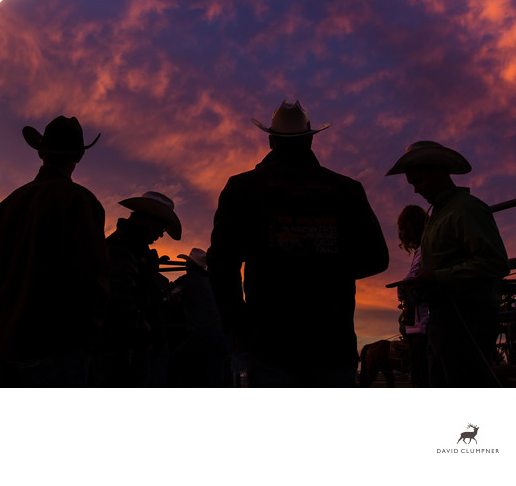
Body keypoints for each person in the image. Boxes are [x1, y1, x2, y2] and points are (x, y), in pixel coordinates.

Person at [207, 100, 389, 387]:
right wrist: (327, 266)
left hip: (270, 341)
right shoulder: (346, 189)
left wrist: (239, 324)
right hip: (332, 339)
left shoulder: (243, 188)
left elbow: (220, 265)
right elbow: (377, 258)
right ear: (310, 138)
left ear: (270, 140)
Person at [0, 116, 109, 387]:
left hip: (7, 344)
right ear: (79, 157)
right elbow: (92, 276)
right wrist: (94, 334)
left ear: (40, 152)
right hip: (57, 347)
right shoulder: (81, 202)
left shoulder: (7, 205)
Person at [386, 140, 510, 387]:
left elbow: (496, 263)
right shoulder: (437, 215)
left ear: (438, 172)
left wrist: (436, 277)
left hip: (467, 318)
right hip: (444, 319)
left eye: (419, 182)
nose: (416, 190)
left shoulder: (467, 209)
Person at [93, 190, 182, 387]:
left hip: (123, 351)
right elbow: (121, 301)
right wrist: (145, 336)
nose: (161, 234)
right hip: (122, 353)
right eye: (162, 226)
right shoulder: (123, 248)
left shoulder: (129, 247)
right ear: (150, 219)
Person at [165, 248, 229, 387]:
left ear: (189, 266)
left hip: (200, 338)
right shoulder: (212, 282)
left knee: (171, 363)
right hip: (220, 339)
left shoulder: (186, 281)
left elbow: (167, 298)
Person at [395, 205, 430, 387]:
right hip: (417, 323)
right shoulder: (420, 250)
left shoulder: (425, 248)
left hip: (422, 324)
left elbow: (413, 280)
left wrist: (403, 287)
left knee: (423, 374)